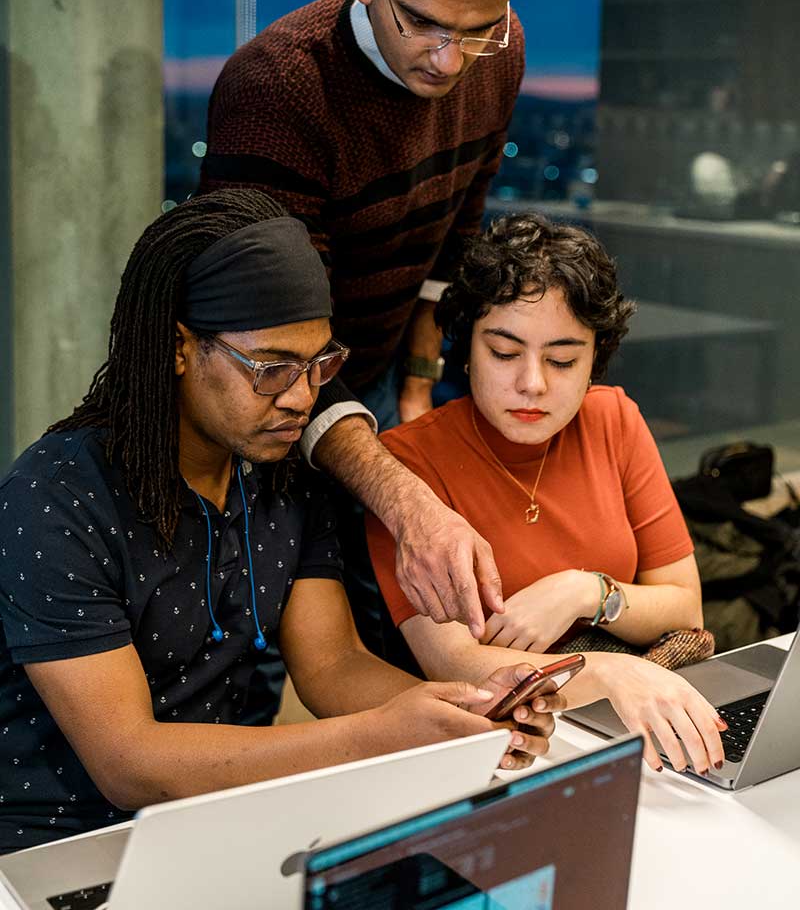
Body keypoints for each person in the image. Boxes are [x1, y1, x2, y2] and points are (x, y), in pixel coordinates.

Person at [0, 191, 562, 854]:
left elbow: (331, 664)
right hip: (55, 849)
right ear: (179, 347)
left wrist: (459, 712)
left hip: (230, 817)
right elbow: (129, 761)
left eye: (319, 364)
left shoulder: (280, 472)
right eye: (270, 369)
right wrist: (380, 735)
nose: (301, 398)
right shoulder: (55, 497)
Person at [199, 0, 540, 642]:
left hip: (374, 369)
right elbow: (273, 349)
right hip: (251, 386)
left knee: (387, 619)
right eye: (420, 21)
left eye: (476, 31)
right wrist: (405, 494)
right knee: (251, 637)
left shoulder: (503, 46)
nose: (449, 60)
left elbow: (455, 229)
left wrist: (418, 387)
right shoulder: (279, 90)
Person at [367, 213, 728, 773]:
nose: (532, 383)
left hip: (623, 725)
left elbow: (684, 606)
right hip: (494, 747)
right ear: (466, 351)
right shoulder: (406, 466)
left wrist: (583, 592)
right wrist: (608, 670)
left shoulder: (613, 418)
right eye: (505, 353)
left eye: (562, 360)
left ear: (594, 361)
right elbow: (452, 661)